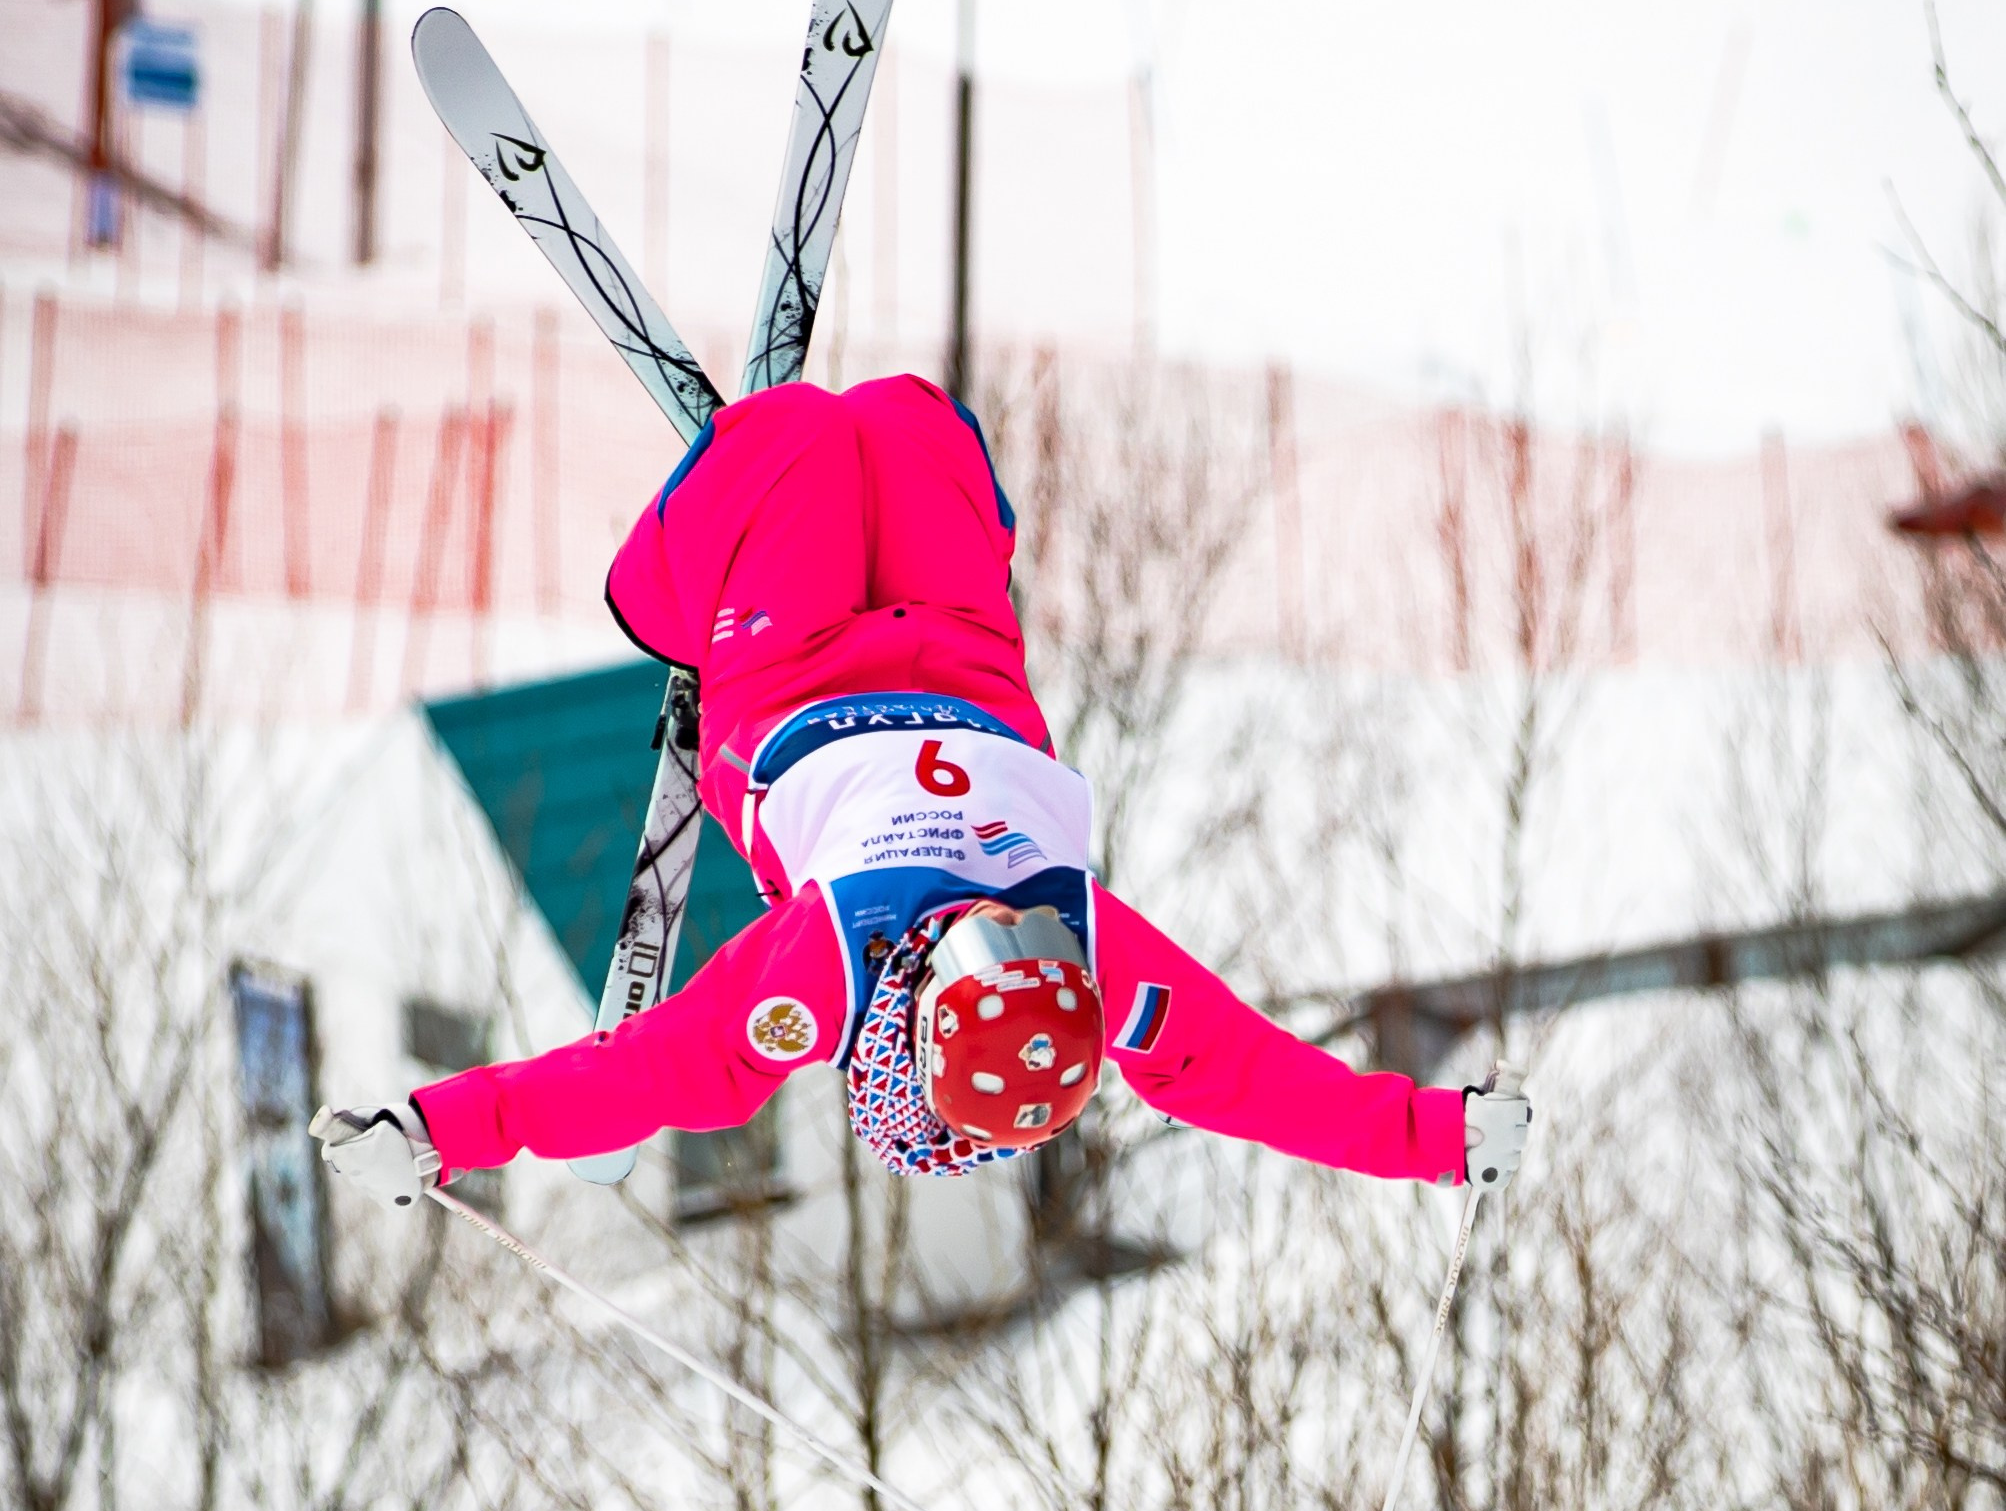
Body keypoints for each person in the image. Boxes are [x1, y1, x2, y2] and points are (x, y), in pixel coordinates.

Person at [314, 374, 1531, 1208]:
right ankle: (739, 484)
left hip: (866, 657)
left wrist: (436, 1127)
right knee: (865, 440)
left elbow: (635, 1079)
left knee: (830, 434)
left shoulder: (941, 956)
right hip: (878, 659)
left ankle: (741, 478)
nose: (1018, 918)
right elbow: (1252, 1079)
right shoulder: (993, 963)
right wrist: (1428, 1139)